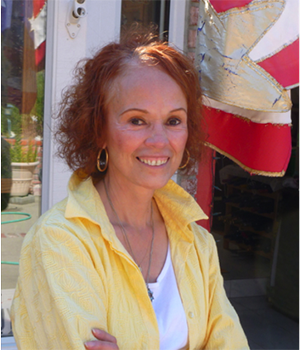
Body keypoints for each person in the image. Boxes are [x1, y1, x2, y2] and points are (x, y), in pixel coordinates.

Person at [11, 28, 249, 350]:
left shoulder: (197, 243)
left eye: (174, 120)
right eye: (137, 120)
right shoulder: (59, 242)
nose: (159, 140)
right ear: (98, 129)